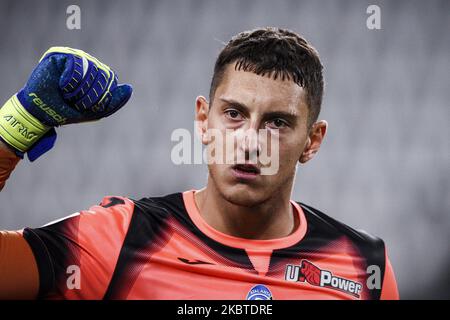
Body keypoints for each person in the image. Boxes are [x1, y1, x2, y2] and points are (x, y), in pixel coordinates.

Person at [0, 27, 399, 300]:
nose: (250, 142)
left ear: (312, 141)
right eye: (234, 114)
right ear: (203, 120)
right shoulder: (121, 238)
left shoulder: (363, 264)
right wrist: (15, 129)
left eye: (277, 123)